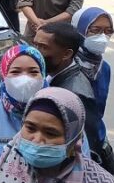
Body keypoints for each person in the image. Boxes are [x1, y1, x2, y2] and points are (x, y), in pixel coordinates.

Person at [34, 22, 104, 161]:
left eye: (43, 47)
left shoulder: (76, 95)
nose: (35, 52)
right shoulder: (50, 73)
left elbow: (86, 145)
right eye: (35, 44)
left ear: (66, 54)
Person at [0, 44, 47, 147]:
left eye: (33, 72)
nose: (25, 79)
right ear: (4, 77)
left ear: (43, 75)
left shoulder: (58, 113)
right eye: (15, 72)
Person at [71, 7, 114, 175]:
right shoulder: (65, 61)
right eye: (95, 30)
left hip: (94, 138)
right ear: (80, 29)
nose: (102, 37)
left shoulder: (104, 68)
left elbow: (99, 111)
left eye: (108, 31)